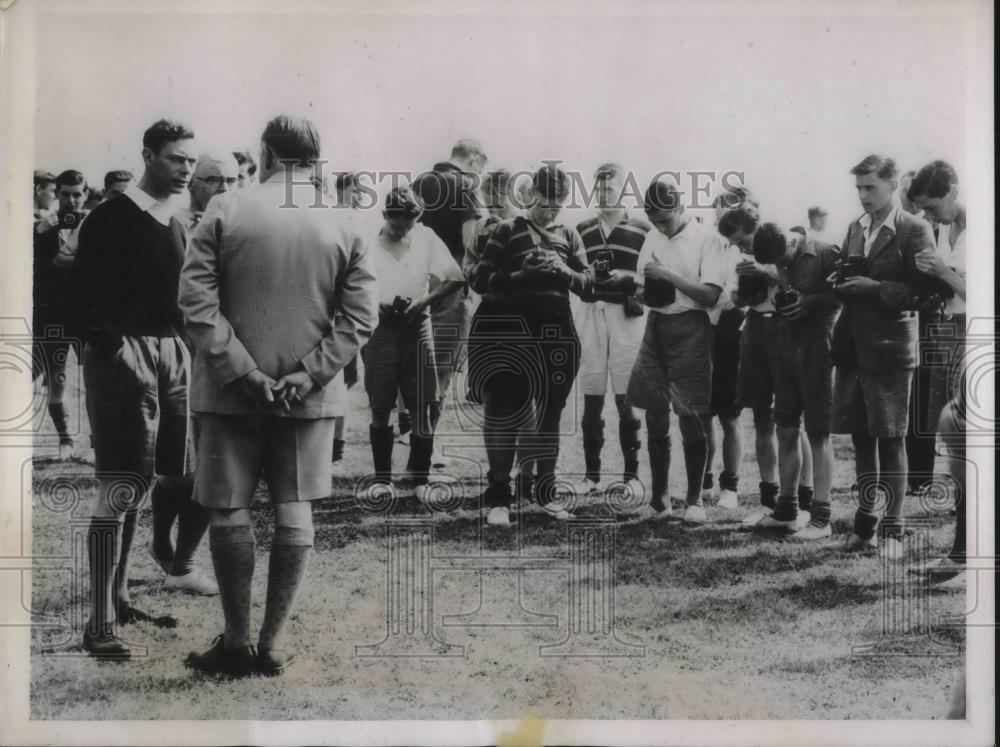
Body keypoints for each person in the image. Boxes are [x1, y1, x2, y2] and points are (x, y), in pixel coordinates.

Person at [179, 115, 377, 676]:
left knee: (227, 510)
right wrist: (311, 373)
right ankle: (271, 645)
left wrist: (241, 371)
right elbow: (362, 316)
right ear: (315, 162)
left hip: (228, 389)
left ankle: (236, 642)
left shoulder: (226, 209)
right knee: (295, 509)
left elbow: (195, 303)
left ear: (265, 153)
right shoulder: (345, 220)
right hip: (305, 396)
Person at [73, 120, 198, 657]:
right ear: (149, 155)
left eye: (190, 161)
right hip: (124, 357)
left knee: (145, 484)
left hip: (171, 354)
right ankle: (98, 624)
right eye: (176, 159)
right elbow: (77, 300)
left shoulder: (176, 220)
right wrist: (116, 350)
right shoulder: (110, 217)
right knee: (119, 486)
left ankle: (121, 597)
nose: (186, 168)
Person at [467, 163, 604, 527]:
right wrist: (520, 275)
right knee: (506, 414)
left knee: (550, 416)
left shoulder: (569, 234)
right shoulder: (507, 230)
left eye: (558, 204)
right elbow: (480, 279)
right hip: (511, 335)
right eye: (545, 202)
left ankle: (545, 494)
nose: (551, 210)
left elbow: (589, 284)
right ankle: (500, 496)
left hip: (557, 334)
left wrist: (562, 269)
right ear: (530, 195)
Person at [831, 154, 935, 559]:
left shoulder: (915, 229)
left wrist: (875, 288)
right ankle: (866, 523)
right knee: (861, 436)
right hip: (855, 347)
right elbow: (847, 274)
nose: (863, 196)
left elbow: (929, 295)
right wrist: (840, 282)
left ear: (893, 186)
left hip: (890, 350)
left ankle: (895, 527)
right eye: (858, 188)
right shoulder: (855, 228)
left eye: (870, 187)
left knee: (891, 439)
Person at [628, 178, 727, 523]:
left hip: (692, 329)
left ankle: (695, 500)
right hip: (656, 327)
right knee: (654, 412)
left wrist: (667, 275)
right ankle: (660, 499)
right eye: (652, 220)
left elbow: (711, 296)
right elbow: (645, 281)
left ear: (680, 207)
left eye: (664, 219)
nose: (658, 226)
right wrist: (638, 293)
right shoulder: (652, 236)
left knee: (691, 416)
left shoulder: (707, 239)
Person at [361, 187, 466, 499]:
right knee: (381, 404)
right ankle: (383, 481)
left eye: (409, 221)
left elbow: (455, 277)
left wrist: (423, 302)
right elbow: (350, 282)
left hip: (417, 327)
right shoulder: (368, 239)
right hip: (380, 329)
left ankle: (419, 479)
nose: (403, 227)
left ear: (417, 218)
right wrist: (374, 305)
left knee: (423, 404)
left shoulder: (425, 237)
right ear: (385, 216)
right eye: (396, 221)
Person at [751, 223, 842, 538]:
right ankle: (787, 510)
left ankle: (821, 517)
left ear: (793, 240)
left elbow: (842, 294)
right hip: (788, 345)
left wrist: (810, 302)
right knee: (786, 427)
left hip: (819, 348)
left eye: (783, 259)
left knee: (818, 433)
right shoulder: (780, 257)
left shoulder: (826, 252)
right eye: (776, 263)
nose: (781, 266)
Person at [905, 160, 967, 585]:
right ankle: (961, 556)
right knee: (961, 449)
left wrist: (942, 273)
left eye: (931, 207)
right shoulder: (945, 230)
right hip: (951, 333)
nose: (928, 216)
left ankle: (963, 558)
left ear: (953, 190)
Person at [572, 163, 649, 496]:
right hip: (591, 314)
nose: (603, 195)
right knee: (592, 393)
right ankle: (592, 475)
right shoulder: (582, 228)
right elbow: (573, 275)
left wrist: (632, 282)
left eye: (610, 189)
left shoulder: (643, 229)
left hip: (627, 317)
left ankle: (631, 478)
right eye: (599, 189)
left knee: (626, 397)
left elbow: (654, 277)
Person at [411, 139, 487, 462]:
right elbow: (473, 244)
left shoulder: (419, 182)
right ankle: (423, 456)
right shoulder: (467, 187)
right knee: (440, 372)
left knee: (415, 368)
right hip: (450, 285)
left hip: (415, 281)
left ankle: (417, 446)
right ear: (472, 160)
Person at [703, 188, 760, 510]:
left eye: (726, 209)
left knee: (730, 414)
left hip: (733, 330)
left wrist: (717, 297)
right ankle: (705, 479)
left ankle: (731, 485)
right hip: (703, 329)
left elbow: (734, 295)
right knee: (702, 411)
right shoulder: (707, 243)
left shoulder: (749, 246)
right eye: (717, 210)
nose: (720, 215)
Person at [33, 169, 89, 456]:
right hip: (54, 313)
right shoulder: (45, 227)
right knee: (56, 378)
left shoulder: (96, 223)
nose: (71, 200)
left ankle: (96, 443)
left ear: (86, 194)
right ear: (57, 195)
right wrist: (40, 233)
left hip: (86, 314)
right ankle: (66, 440)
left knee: (95, 378)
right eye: (65, 194)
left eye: (77, 194)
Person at [176, 153, 240, 233]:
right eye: (214, 180)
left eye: (231, 181)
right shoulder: (173, 224)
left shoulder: (241, 227)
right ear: (191, 183)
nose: (225, 189)